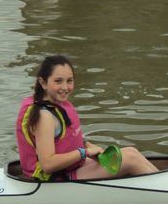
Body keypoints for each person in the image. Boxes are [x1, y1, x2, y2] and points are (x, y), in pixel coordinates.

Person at [15, 55, 159, 181]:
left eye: (69, 81)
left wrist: (89, 146)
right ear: (43, 83)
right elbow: (47, 165)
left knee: (130, 152)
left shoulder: (57, 104)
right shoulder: (44, 116)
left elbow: (66, 139)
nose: (65, 87)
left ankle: (162, 180)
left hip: (68, 169)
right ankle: (167, 188)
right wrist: (83, 153)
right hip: (53, 180)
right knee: (131, 160)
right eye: (58, 81)